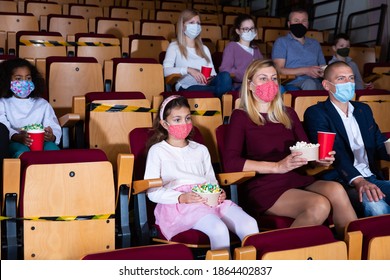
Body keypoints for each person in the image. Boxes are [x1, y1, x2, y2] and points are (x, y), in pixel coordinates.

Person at [223, 59, 357, 238]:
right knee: (319, 204)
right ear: (249, 84)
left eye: (273, 78)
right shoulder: (241, 116)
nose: (269, 83)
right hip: (264, 185)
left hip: (296, 178)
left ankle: (355, 253)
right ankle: (282, 256)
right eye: (263, 78)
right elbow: (231, 163)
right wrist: (277, 167)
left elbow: (305, 151)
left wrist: (319, 159)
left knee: (336, 190)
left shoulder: (288, 114)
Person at [144, 95, 259, 250]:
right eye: (177, 120)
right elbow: (152, 192)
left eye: (187, 118)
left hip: (208, 200)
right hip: (180, 205)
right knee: (218, 229)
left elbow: (211, 181)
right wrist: (181, 197)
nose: (184, 123)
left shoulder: (201, 149)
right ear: (164, 123)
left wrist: (217, 192)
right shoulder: (157, 151)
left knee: (250, 224)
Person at [304, 61, 390, 217]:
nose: (348, 83)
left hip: (371, 176)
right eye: (341, 78)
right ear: (326, 85)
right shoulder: (316, 113)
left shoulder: (363, 109)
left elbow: (378, 144)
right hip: (341, 180)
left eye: (351, 78)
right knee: (377, 207)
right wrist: (358, 181)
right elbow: (335, 152)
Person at [162, 9, 233, 98]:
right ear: (182, 26)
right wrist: (189, 70)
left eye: (198, 23)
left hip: (207, 85)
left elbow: (213, 73)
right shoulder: (174, 47)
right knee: (220, 90)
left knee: (225, 75)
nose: (196, 26)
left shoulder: (204, 49)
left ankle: (220, 93)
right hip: (187, 87)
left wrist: (210, 77)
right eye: (191, 22)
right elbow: (165, 71)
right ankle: (224, 93)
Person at [0, 58, 61, 158]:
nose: (24, 82)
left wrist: (51, 136)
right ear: (7, 80)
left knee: (52, 149)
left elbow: (53, 125)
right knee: (22, 152)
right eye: (18, 79)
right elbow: (3, 127)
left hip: (41, 142)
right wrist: (17, 137)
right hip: (15, 142)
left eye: (28, 78)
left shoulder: (42, 104)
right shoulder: (3, 103)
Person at [272, 7, 326, 90]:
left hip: (317, 82)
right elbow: (279, 69)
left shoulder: (315, 43)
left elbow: (323, 67)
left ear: (308, 24)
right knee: (309, 83)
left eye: (304, 21)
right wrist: (306, 70)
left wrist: (323, 72)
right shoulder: (281, 42)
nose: (300, 24)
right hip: (293, 82)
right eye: (296, 21)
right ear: (289, 24)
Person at [219, 14, 263, 90]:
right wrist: (246, 74)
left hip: (256, 84)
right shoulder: (232, 46)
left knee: (279, 89)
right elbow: (225, 69)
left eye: (252, 28)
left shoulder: (256, 49)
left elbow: (263, 67)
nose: (249, 31)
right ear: (238, 31)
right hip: (239, 86)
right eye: (246, 29)